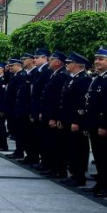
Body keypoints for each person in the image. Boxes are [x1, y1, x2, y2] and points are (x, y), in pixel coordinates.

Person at [84, 48, 107, 196]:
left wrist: (103, 124)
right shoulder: (98, 78)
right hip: (94, 124)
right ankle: (101, 183)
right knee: (99, 157)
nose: (97, 61)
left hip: (104, 125)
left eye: (101, 59)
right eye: (96, 59)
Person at [59, 52, 92, 187]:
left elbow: (80, 103)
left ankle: (79, 176)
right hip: (69, 119)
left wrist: (76, 121)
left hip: (76, 121)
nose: (67, 65)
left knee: (79, 149)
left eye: (69, 63)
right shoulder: (73, 79)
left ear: (77, 65)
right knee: (71, 149)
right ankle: (74, 174)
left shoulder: (83, 79)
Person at [39, 51, 69, 179]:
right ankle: (52, 167)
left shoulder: (61, 75)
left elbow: (58, 99)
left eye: (51, 59)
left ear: (57, 62)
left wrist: (53, 117)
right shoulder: (55, 74)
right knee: (49, 142)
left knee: (56, 145)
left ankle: (58, 170)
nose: (49, 62)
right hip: (48, 113)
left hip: (53, 116)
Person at [23, 49, 52, 168]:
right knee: (34, 136)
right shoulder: (40, 72)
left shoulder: (46, 72)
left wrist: (39, 111)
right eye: (34, 57)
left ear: (45, 58)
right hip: (34, 109)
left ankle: (44, 162)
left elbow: (44, 94)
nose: (34, 59)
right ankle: (34, 158)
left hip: (40, 110)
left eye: (37, 57)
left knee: (42, 138)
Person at [5, 57, 28, 159]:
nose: (10, 68)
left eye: (12, 66)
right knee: (16, 131)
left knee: (20, 132)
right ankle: (18, 150)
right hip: (13, 107)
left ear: (19, 65)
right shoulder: (15, 75)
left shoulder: (21, 76)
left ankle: (20, 151)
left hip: (17, 107)